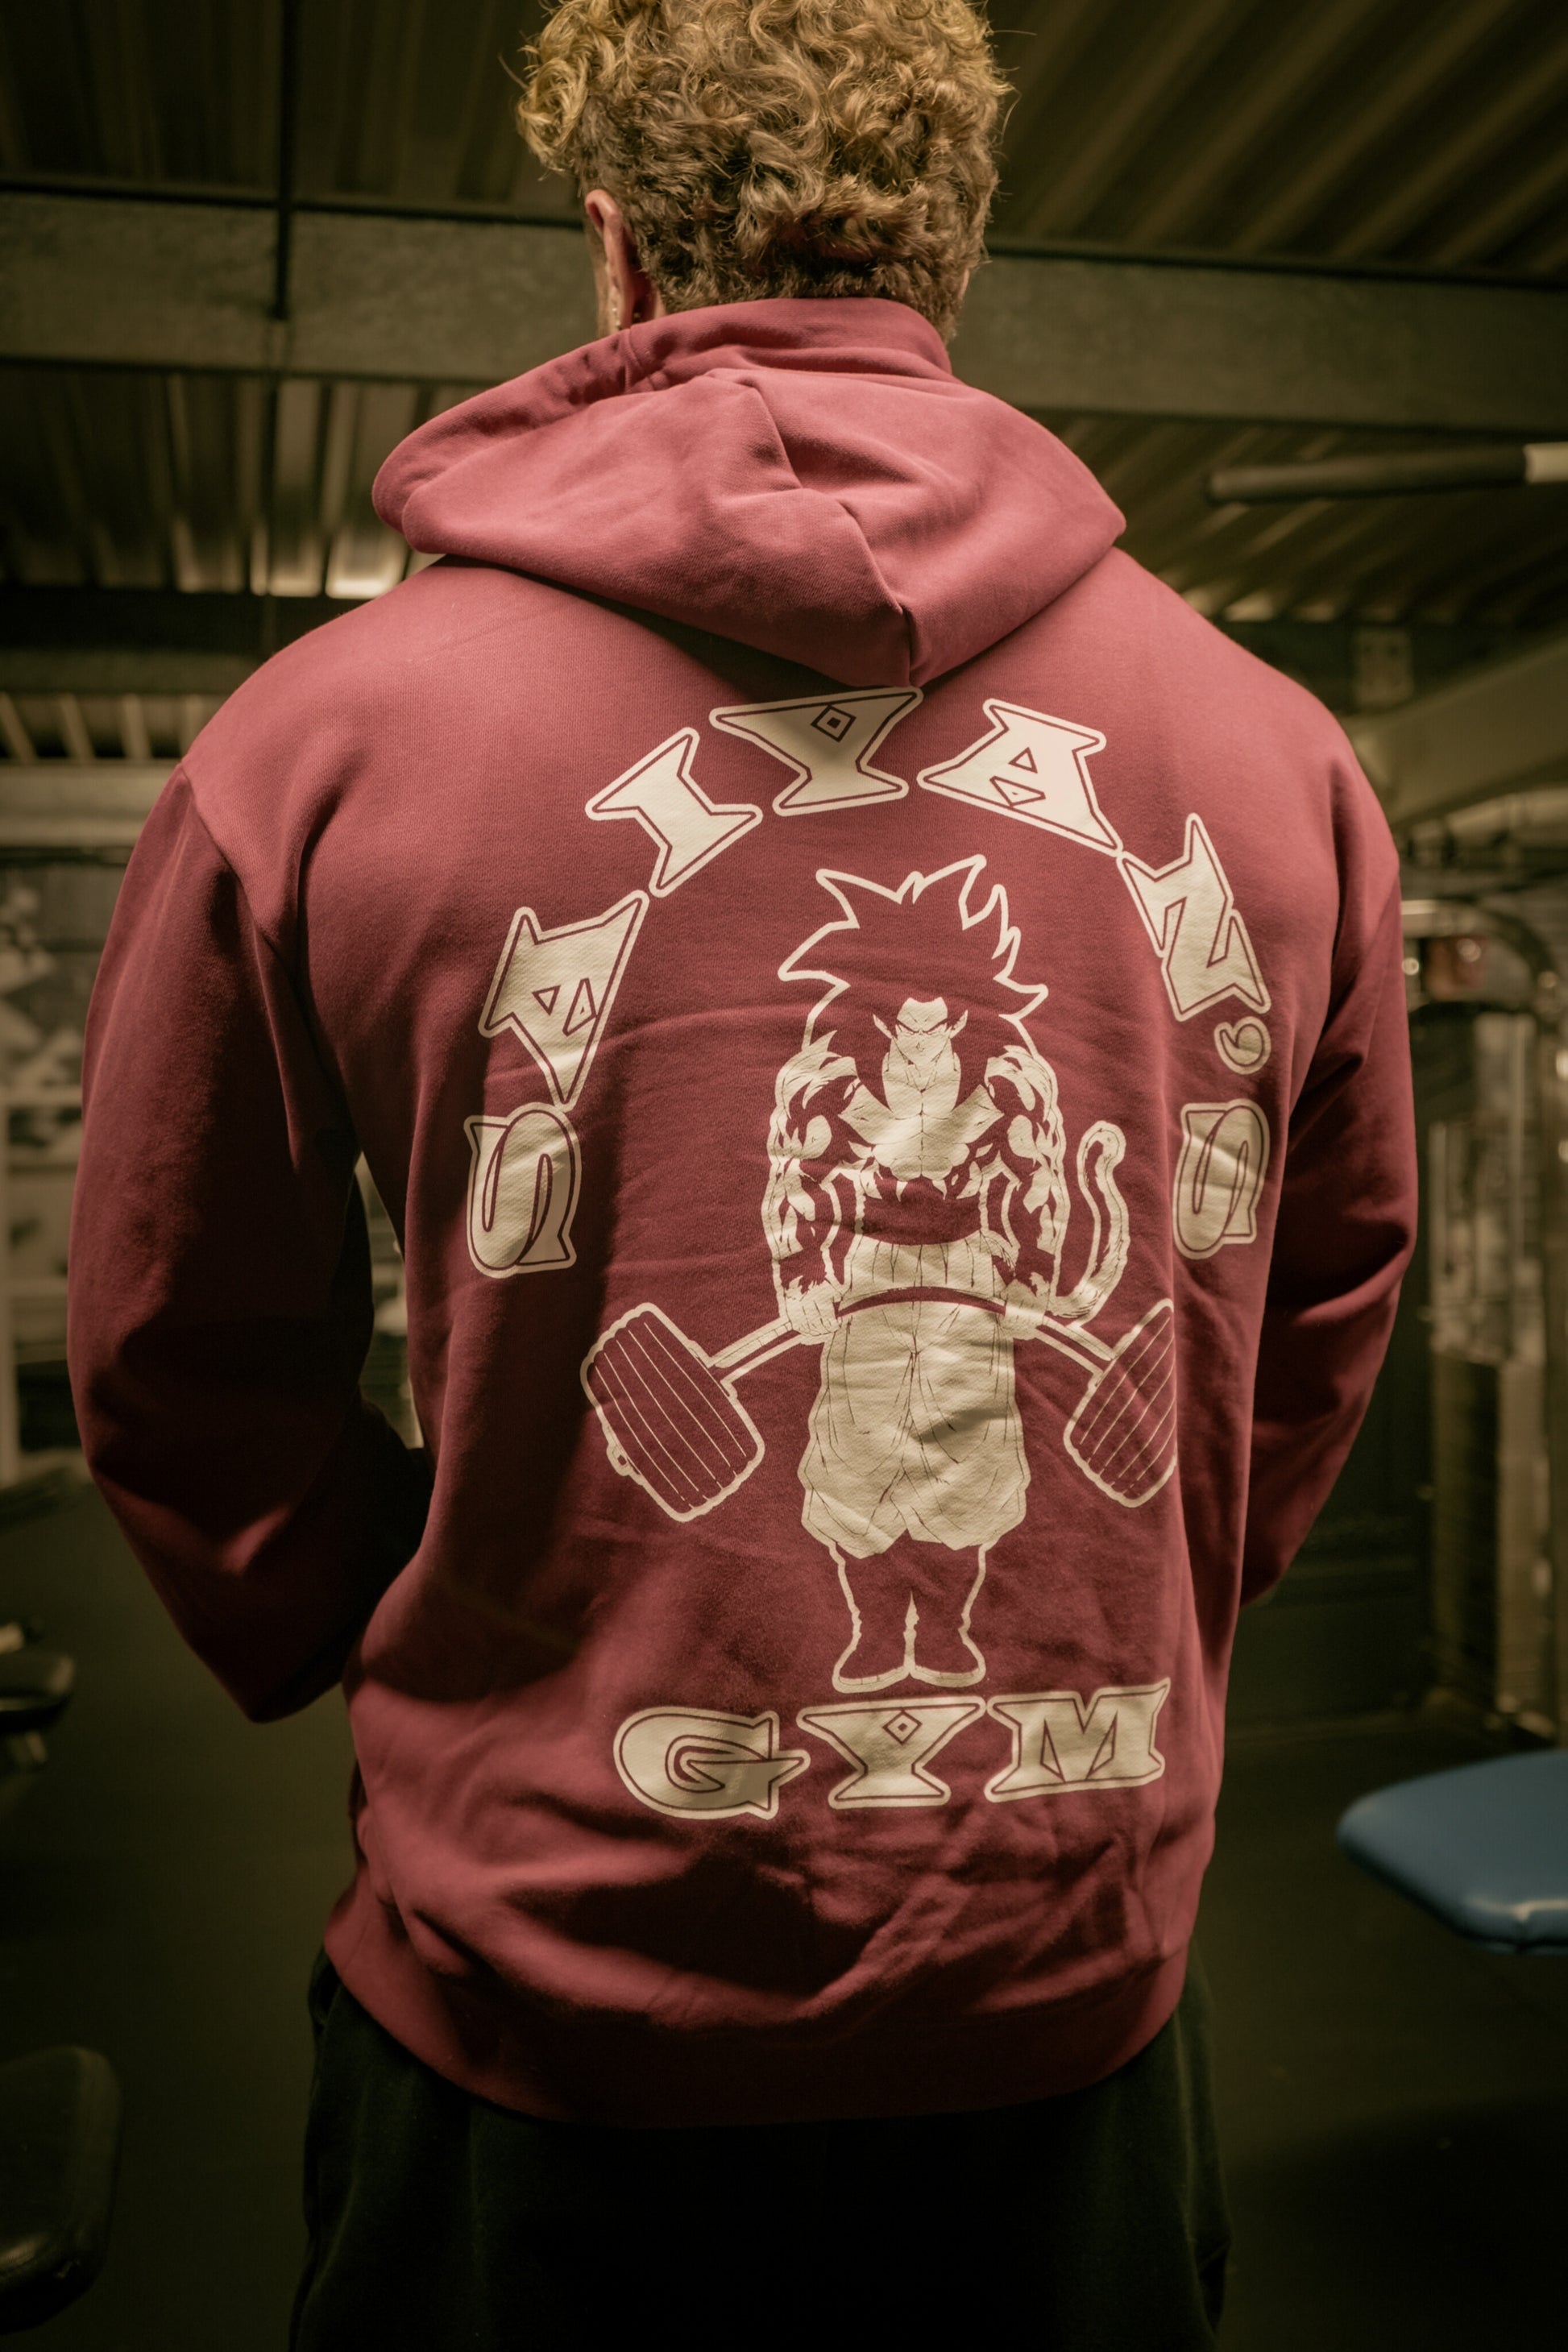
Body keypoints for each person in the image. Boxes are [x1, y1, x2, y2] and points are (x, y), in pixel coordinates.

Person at [67, 2, 1417, 2343]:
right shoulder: (1278, 759)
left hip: (545, 2013)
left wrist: (441, 1594)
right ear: (956, 257)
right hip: (1065, 1986)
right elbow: (1318, 1295)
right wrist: (1161, 1572)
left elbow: (176, 1343)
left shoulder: (320, 745)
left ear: (616, 252)